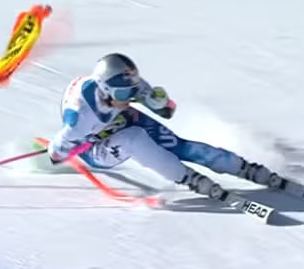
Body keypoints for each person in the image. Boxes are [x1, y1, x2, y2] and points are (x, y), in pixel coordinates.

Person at [47, 53, 283, 199]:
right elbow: (56, 152)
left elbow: (166, 111)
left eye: (133, 90)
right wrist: (59, 152)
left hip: (118, 120)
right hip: (92, 146)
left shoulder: (128, 85)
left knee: (178, 145)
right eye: (124, 93)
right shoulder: (80, 119)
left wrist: (161, 103)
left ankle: (244, 168)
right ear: (106, 90)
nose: (131, 96)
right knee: (135, 139)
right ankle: (189, 178)